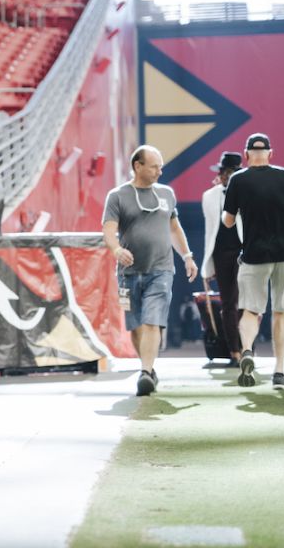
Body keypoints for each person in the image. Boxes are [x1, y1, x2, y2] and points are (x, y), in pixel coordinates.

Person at [102, 145, 198, 396]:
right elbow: (109, 232)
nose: (160, 171)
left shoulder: (167, 194)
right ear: (138, 166)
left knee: (152, 320)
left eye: (160, 166)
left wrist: (187, 256)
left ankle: (146, 372)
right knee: (135, 326)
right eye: (154, 166)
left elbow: (175, 229)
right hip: (128, 273)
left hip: (161, 269)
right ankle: (147, 368)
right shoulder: (117, 196)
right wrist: (116, 250)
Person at [222, 133, 284, 389]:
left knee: (250, 310)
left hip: (254, 254)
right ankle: (279, 372)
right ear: (270, 153)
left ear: (246, 155)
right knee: (281, 312)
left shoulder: (238, 180)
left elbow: (228, 221)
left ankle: (246, 350)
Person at [201, 151, 245, 366]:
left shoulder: (249, 192)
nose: (226, 176)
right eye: (223, 172)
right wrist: (206, 265)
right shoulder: (209, 196)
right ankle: (234, 352)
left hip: (244, 253)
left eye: (230, 172)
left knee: (246, 303)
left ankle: (247, 347)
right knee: (228, 303)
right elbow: (209, 231)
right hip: (221, 253)